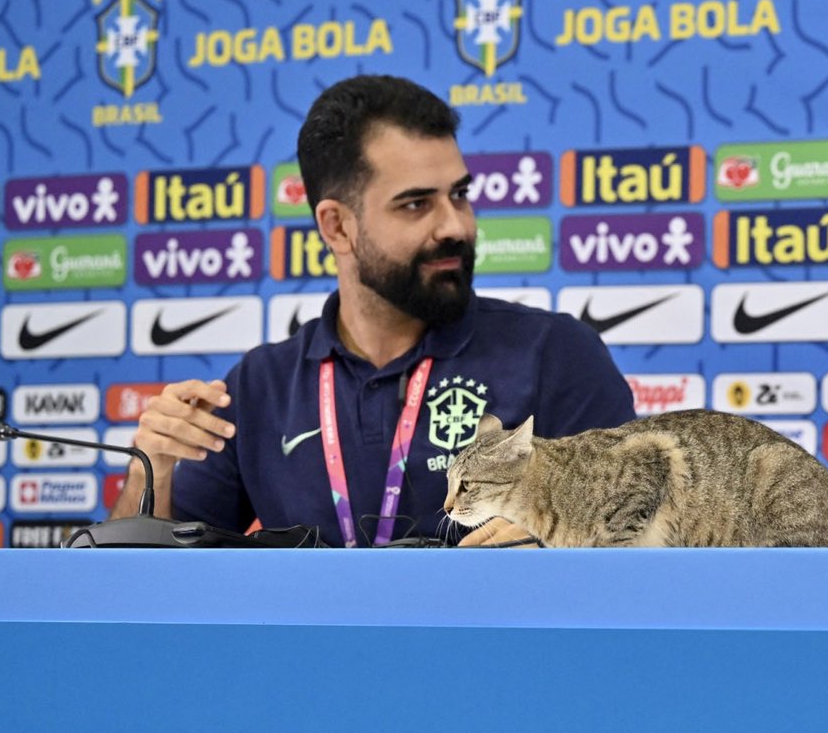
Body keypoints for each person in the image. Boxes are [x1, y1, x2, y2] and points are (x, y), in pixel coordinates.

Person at [113, 74, 636, 545]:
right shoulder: (259, 386)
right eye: (416, 204)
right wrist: (149, 470)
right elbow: (140, 589)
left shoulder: (555, 355)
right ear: (337, 226)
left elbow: (634, 555)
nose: (454, 225)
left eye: (459, 194)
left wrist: (554, 539)